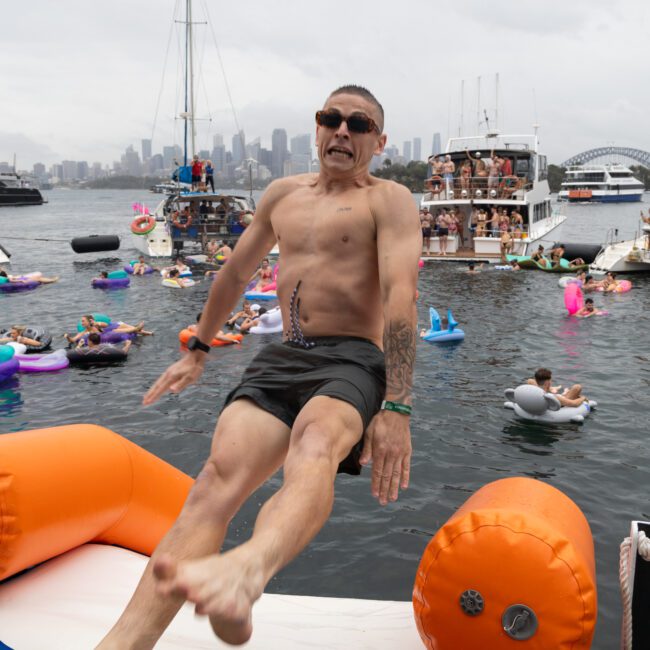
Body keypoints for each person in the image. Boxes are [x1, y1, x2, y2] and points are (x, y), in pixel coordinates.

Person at [98, 84, 420, 648]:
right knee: (214, 482)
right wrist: (197, 348)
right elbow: (235, 274)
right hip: (284, 357)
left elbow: (401, 296)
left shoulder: (387, 200)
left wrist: (397, 404)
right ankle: (123, 643)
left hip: (353, 358)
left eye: (359, 124)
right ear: (317, 127)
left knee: (315, 444)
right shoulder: (281, 194)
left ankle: (247, 572)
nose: (343, 130)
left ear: (379, 141)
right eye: (332, 118)